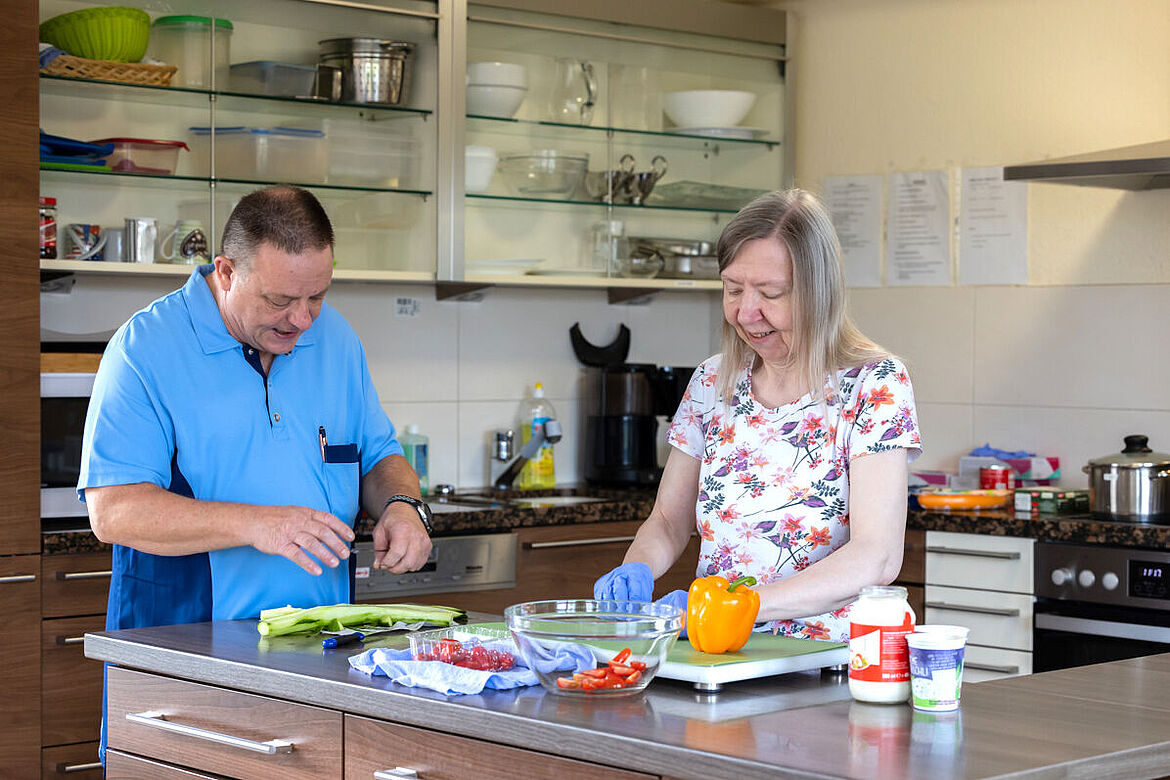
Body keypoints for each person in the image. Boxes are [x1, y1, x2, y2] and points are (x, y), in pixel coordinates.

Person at [79, 186, 432, 758]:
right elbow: (113, 511)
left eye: (316, 296)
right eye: (280, 300)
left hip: (322, 663)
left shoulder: (335, 337)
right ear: (226, 272)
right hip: (187, 662)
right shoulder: (145, 349)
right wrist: (257, 525)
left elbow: (378, 455)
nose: (301, 318)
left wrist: (401, 505)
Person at [593, 188, 921, 642]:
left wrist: (742, 606)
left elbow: (876, 556)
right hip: (719, 650)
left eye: (771, 293)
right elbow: (669, 521)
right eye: (732, 289)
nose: (746, 312)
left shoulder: (874, 383)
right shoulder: (713, 382)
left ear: (818, 293)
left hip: (831, 661)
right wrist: (637, 568)